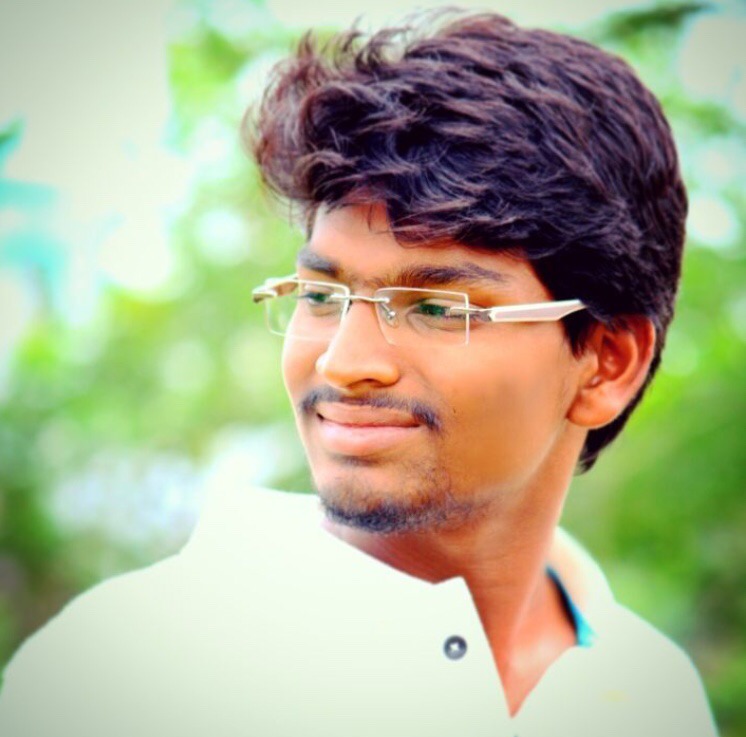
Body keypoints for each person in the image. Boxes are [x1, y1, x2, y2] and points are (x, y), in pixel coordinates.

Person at [0, 10, 719, 737]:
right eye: (321, 296)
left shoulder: (649, 693)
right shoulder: (121, 674)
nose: (344, 362)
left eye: (436, 308)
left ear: (606, 362)